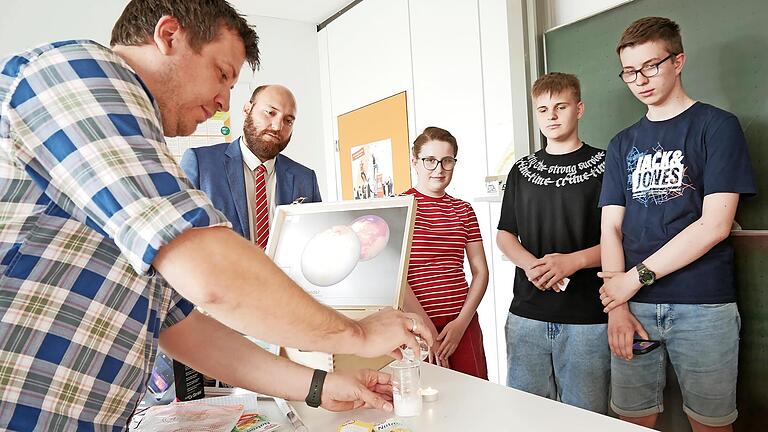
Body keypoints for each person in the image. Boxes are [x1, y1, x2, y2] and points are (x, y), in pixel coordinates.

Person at [0, 1, 434, 430]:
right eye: (222, 74)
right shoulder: (78, 75)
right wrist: (357, 334)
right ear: (169, 36)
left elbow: (183, 326)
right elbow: (211, 278)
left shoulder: (136, 163)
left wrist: (319, 386)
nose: (225, 102)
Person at [598, 17, 756, 432]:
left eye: (651, 66)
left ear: (678, 60)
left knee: (711, 423)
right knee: (631, 420)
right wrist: (617, 305)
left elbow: (715, 225)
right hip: (633, 308)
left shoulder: (717, 126)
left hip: (703, 305)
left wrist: (631, 280)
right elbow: (611, 227)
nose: (640, 80)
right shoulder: (621, 144)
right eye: (630, 72)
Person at [495, 73, 608, 413]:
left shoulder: (606, 165)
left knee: (585, 418)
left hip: (587, 317)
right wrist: (531, 264)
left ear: (580, 108)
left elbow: (621, 240)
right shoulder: (520, 170)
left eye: (561, 107)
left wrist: (572, 262)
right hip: (527, 315)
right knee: (527, 416)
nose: (552, 116)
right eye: (543, 109)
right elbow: (505, 235)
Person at [181, 84, 321, 249]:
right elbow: (178, 240)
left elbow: (315, 243)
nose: (277, 126)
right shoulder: (200, 163)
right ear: (247, 109)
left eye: (288, 120)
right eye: (270, 113)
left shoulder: (305, 178)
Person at [401, 126, 489, 379]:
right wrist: (426, 327)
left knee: (474, 399)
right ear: (415, 162)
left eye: (447, 161)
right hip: (416, 328)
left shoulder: (464, 210)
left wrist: (462, 323)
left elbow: (480, 272)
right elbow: (397, 277)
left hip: (461, 326)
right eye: (430, 160)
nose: (439, 169)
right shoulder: (400, 207)